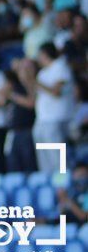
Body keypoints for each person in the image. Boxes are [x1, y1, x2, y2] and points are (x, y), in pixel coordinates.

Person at [25, 42, 75, 174]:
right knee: (45, 162)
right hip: (42, 120)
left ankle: (64, 185)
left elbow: (56, 92)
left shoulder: (60, 66)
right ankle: (52, 187)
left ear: (45, 54)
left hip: (55, 119)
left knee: (59, 160)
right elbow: (33, 97)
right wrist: (28, 79)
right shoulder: (42, 73)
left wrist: (34, 81)